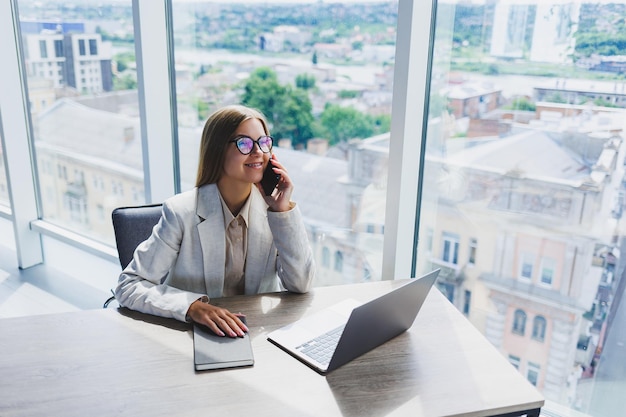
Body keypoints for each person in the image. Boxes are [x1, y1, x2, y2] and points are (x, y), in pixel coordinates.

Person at [115, 104, 315, 337]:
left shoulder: (274, 213)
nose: (258, 151)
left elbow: (300, 284)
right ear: (217, 150)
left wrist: (282, 213)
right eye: (244, 143)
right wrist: (192, 307)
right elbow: (128, 285)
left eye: (263, 142)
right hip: (193, 336)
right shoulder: (181, 212)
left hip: (257, 333)